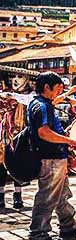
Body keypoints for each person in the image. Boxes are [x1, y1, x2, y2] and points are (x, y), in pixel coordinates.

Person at [27, 72, 76, 240]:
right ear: (47, 87)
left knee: (61, 194)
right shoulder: (43, 107)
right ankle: (38, 235)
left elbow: (56, 102)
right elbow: (44, 132)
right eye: (58, 89)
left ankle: (68, 224)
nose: (59, 93)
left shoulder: (39, 103)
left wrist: (68, 95)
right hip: (51, 158)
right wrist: (69, 141)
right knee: (48, 197)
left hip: (54, 157)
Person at [1, 71, 34, 210]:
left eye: (19, 76)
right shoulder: (5, 94)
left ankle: (17, 195)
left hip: (21, 135)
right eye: (13, 77)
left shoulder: (31, 96)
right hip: (5, 134)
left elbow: (25, 100)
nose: (15, 79)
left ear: (26, 79)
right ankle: (1, 196)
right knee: (1, 165)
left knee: (17, 164)